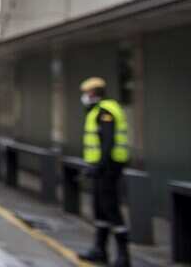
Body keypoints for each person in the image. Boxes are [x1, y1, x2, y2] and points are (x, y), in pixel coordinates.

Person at [77, 77, 131, 267]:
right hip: (101, 169)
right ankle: (100, 250)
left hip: (109, 168)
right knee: (99, 209)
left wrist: (99, 165)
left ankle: (124, 255)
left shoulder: (106, 111)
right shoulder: (96, 111)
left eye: (86, 93)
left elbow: (107, 142)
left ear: (93, 93)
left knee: (111, 209)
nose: (84, 96)